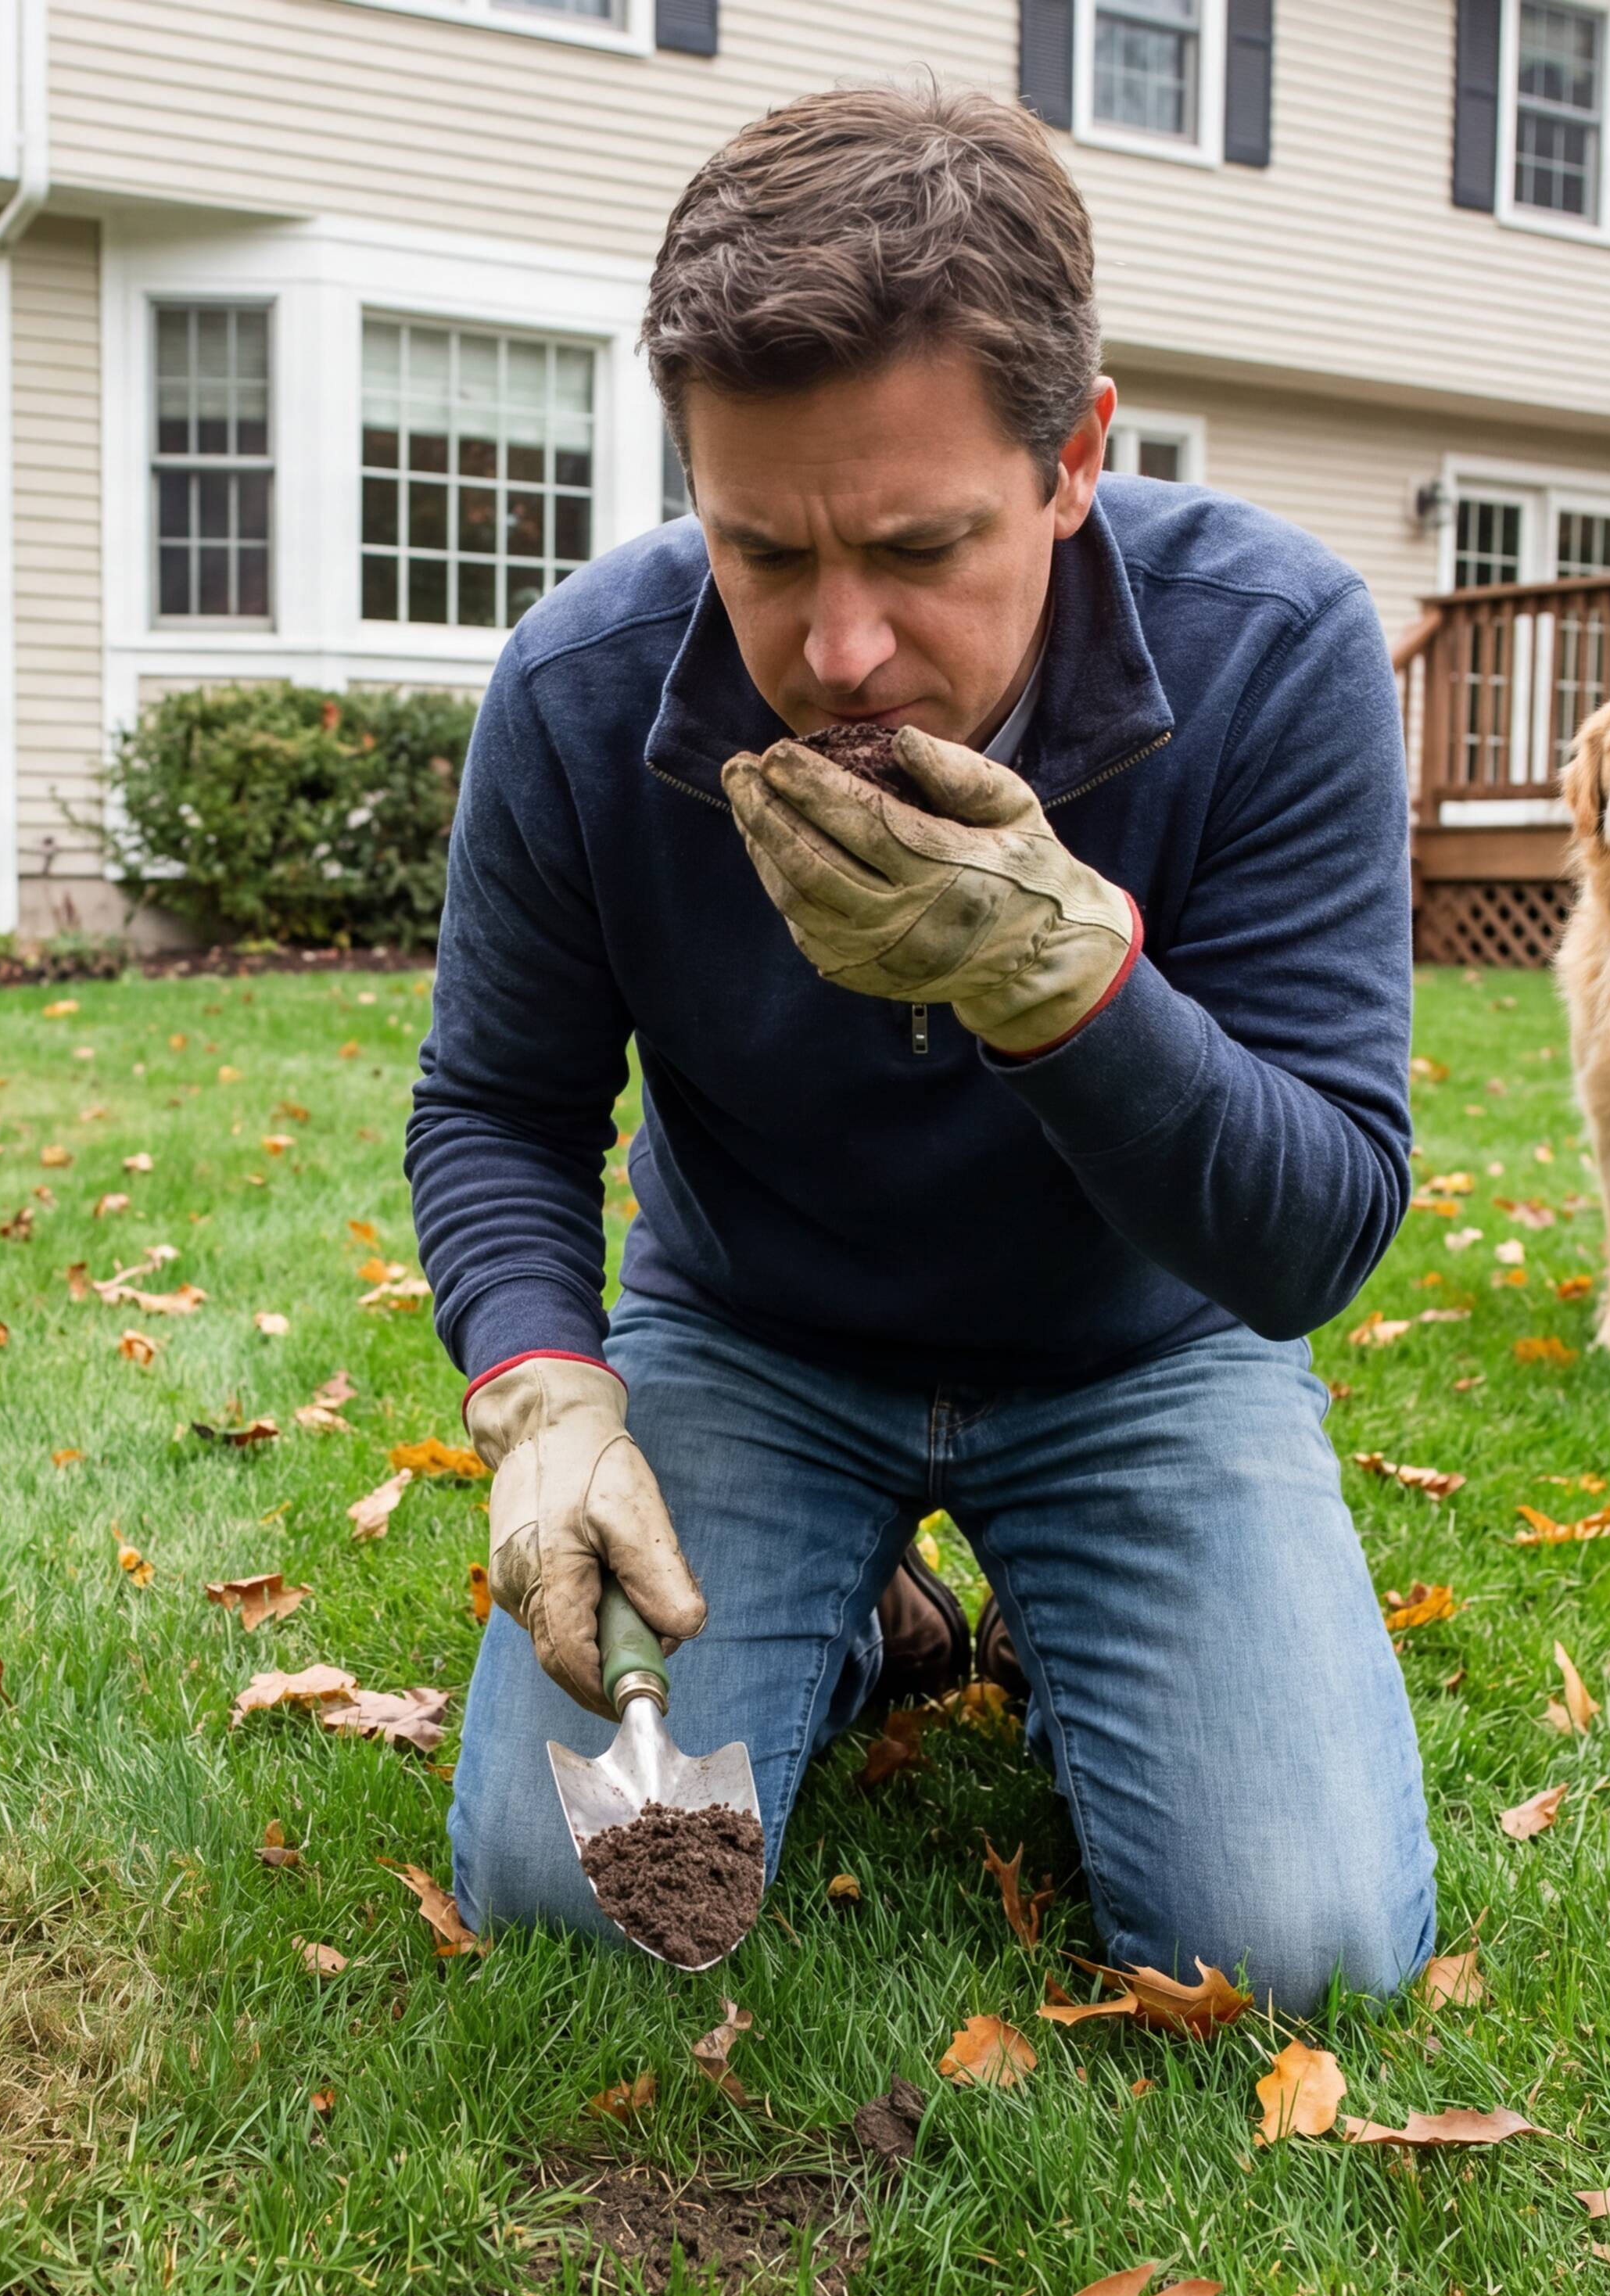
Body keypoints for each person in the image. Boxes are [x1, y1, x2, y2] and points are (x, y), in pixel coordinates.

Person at [405, 82, 1436, 2007]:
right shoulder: (578, 685)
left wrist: (1064, 984)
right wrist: (547, 1395)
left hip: (1145, 1353)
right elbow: (496, 1101)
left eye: (917, 545)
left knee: (1296, 1951)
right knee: (571, 1896)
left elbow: (1318, 1230)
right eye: (764, 553)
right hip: (757, 1343)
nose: (842, 648)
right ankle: (854, 1615)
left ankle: (1078, 1613)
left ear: (1073, 457)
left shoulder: (1274, 651)